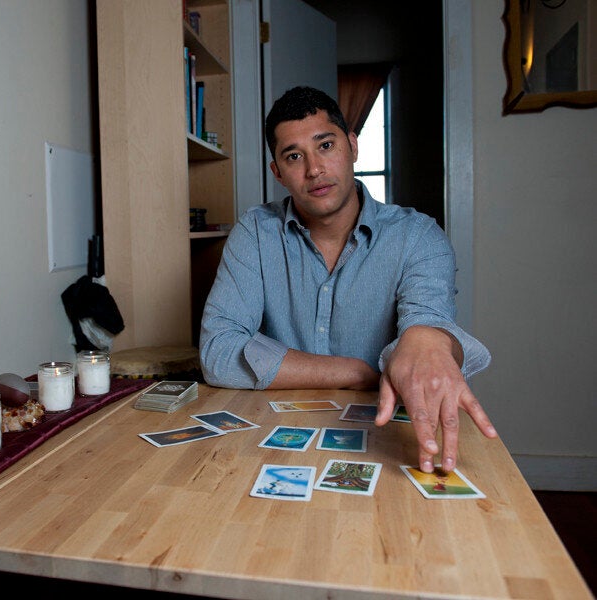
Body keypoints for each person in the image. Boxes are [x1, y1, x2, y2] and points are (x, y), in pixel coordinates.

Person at [199, 86, 497, 474]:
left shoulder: (419, 235)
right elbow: (218, 353)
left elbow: (428, 324)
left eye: (326, 146)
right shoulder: (255, 232)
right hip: (274, 444)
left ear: (353, 147)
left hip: (384, 442)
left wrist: (431, 345)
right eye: (294, 156)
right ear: (277, 172)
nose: (315, 169)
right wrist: (361, 372)